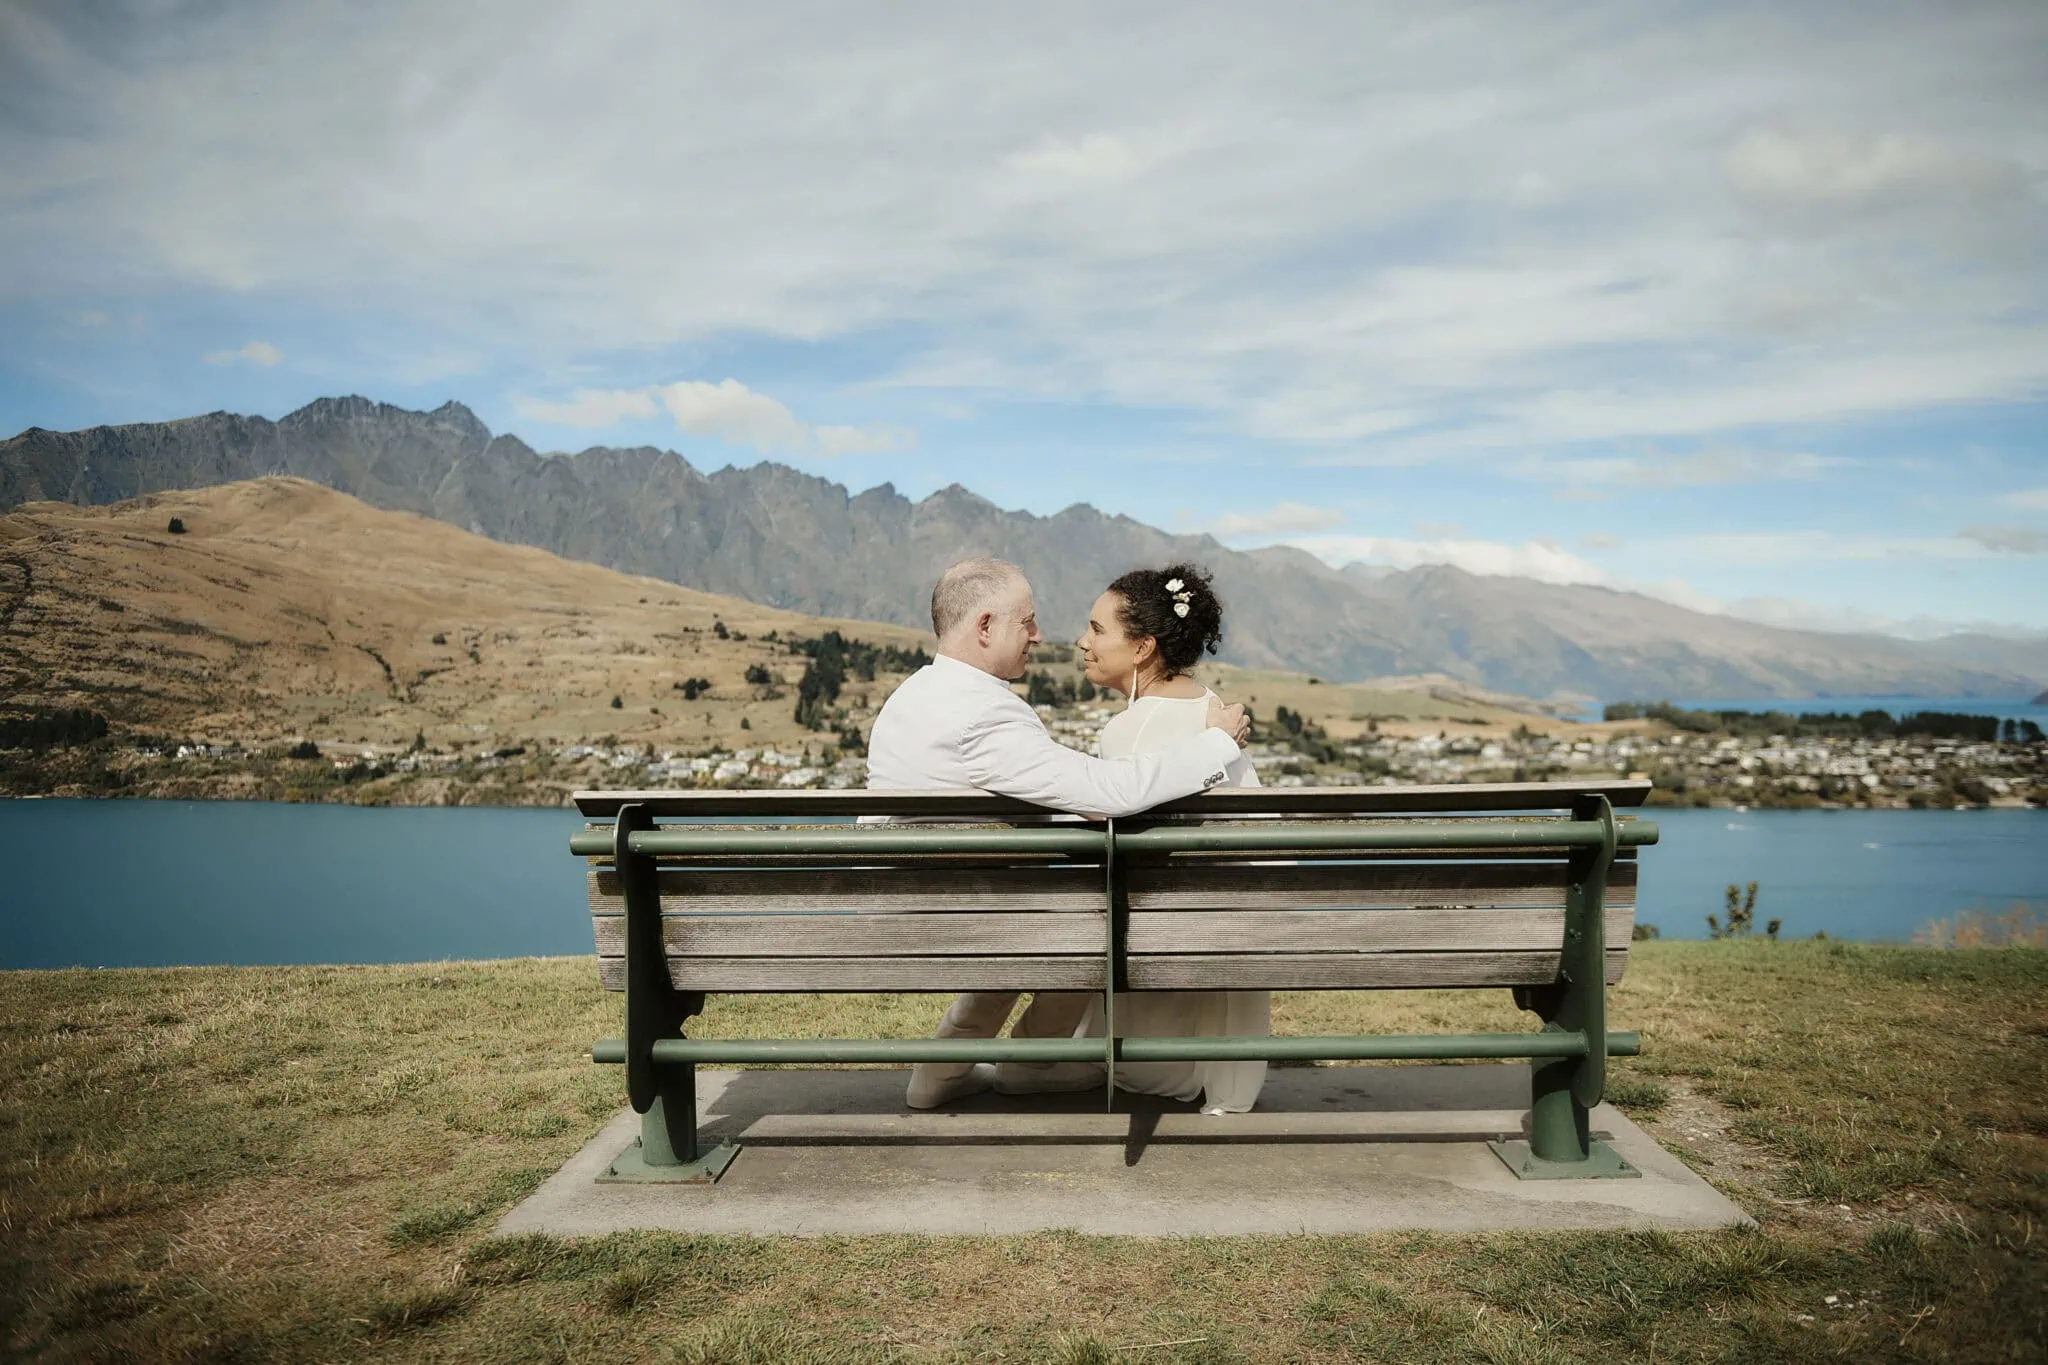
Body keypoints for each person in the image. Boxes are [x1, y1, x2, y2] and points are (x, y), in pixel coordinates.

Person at [866, 557, 1252, 1109]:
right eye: (1026, 622)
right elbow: (1108, 793)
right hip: (960, 911)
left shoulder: (912, 696)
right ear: (984, 626)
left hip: (924, 897)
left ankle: (944, 1072)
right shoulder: (983, 716)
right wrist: (1215, 744)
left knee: (1054, 904)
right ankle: (1033, 1063)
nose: (1038, 635)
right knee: (1097, 912)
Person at [1074, 563, 1270, 1113]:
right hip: (1232, 921)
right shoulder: (1212, 708)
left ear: (1142, 648)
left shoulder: (1130, 728)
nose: (1083, 642)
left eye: (1097, 629)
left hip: (1166, 929)